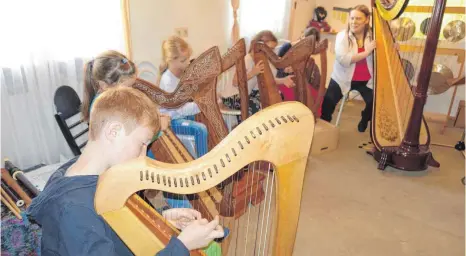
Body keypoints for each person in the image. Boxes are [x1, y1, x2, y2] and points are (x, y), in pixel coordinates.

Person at [27, 87, 224, 256]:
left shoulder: (92, 174)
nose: (144, 155)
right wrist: (182, 245)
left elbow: (111, 226)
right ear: (113, 132)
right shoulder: (74, 210)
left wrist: (163, 220)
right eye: (142, 143)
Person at [320, 5, 375, 132]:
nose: (354, 22)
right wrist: (366, 52)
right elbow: (344, 60)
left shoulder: (373, 36)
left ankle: (364, 118)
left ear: (367, 20)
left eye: (358, 19)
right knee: (327, 103)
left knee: (376, 103)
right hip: (342, 79)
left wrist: (393, 46)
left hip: (366, 81)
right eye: (352, 18)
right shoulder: (342, 36)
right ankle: (323, 128)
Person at [221, 30, 295, 116]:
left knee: (276, 95)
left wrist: (283, 80)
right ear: (259, 46)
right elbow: (235, 82)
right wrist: (253, 73)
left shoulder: (259, 60)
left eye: (272, 50)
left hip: (246, 94)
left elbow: (268, 80)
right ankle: (249, 127)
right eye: (269, 49)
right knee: (256, 104)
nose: (271, 52)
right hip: (231, 97)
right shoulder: (247, 60)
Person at [158, 36, 209, 159]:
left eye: (187, 59)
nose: (187, 63)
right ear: (171, 60)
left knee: (205, 119)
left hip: (181, 116)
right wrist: (202, 104)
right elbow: (179, 110)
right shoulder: (168, 80)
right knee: (200, 129)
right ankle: (202, 166)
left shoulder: (180, 75)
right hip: (171, 121)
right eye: (183, 60)